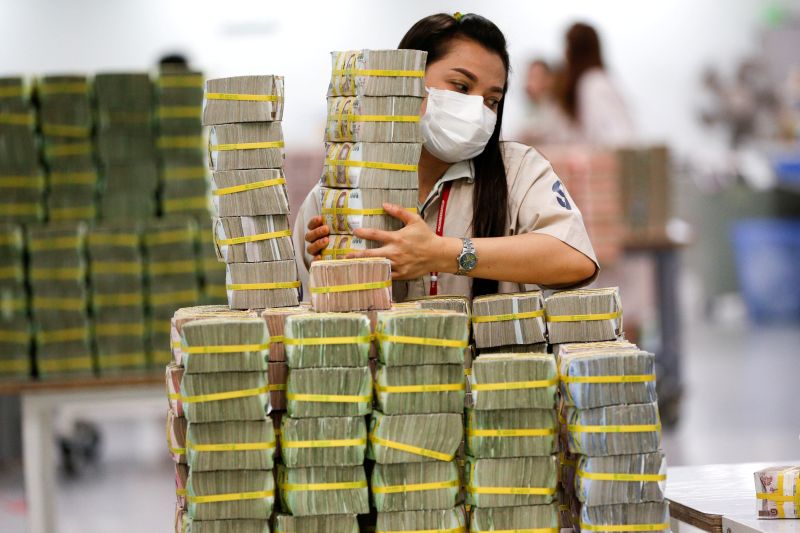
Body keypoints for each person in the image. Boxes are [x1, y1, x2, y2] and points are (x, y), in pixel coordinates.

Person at [295, 12, 599, 300]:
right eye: (461, 87)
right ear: (408, 79)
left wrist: (443, 253)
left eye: (492, 100)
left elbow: (576, 259)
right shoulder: (345, 183)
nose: (478, 111)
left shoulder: (518, 170)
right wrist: (330, 266)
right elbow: (296, 301)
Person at [560, 22, 635, 145]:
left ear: (575, 51)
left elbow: (620, 137)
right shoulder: (594, 81)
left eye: (567, 46)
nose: (564, 53)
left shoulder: (595, 84)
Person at [519, 59, 574, 145]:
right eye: (528, 77)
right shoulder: (536, 109)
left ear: (549, 80)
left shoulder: (556, 110)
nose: (528, 84)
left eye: (534, 77)